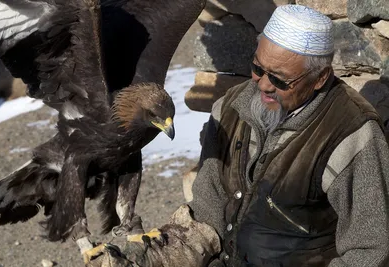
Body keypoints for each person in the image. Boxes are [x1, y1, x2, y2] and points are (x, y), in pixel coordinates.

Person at [88, 4, 389, 267]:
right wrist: (148, 259)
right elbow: (208, 220)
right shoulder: (230, 108)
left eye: (280, 80)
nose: (263, 85)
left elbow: (371, 252)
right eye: (258, 69)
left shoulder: (354, 137)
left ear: (320, 78)